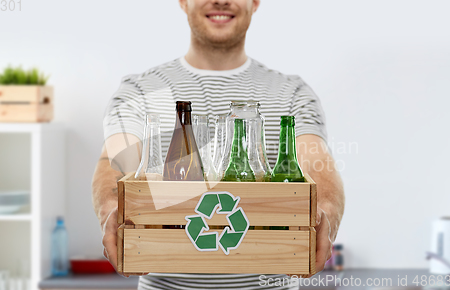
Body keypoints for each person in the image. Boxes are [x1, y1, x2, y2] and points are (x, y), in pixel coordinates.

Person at [92, 0, 345, 289]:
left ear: (255, 2)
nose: (221, 0)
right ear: (183, 2)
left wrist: (323, 213)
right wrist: (112, 209)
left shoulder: (292, 93)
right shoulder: (140, 90)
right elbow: (115, 161)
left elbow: (316, 163)